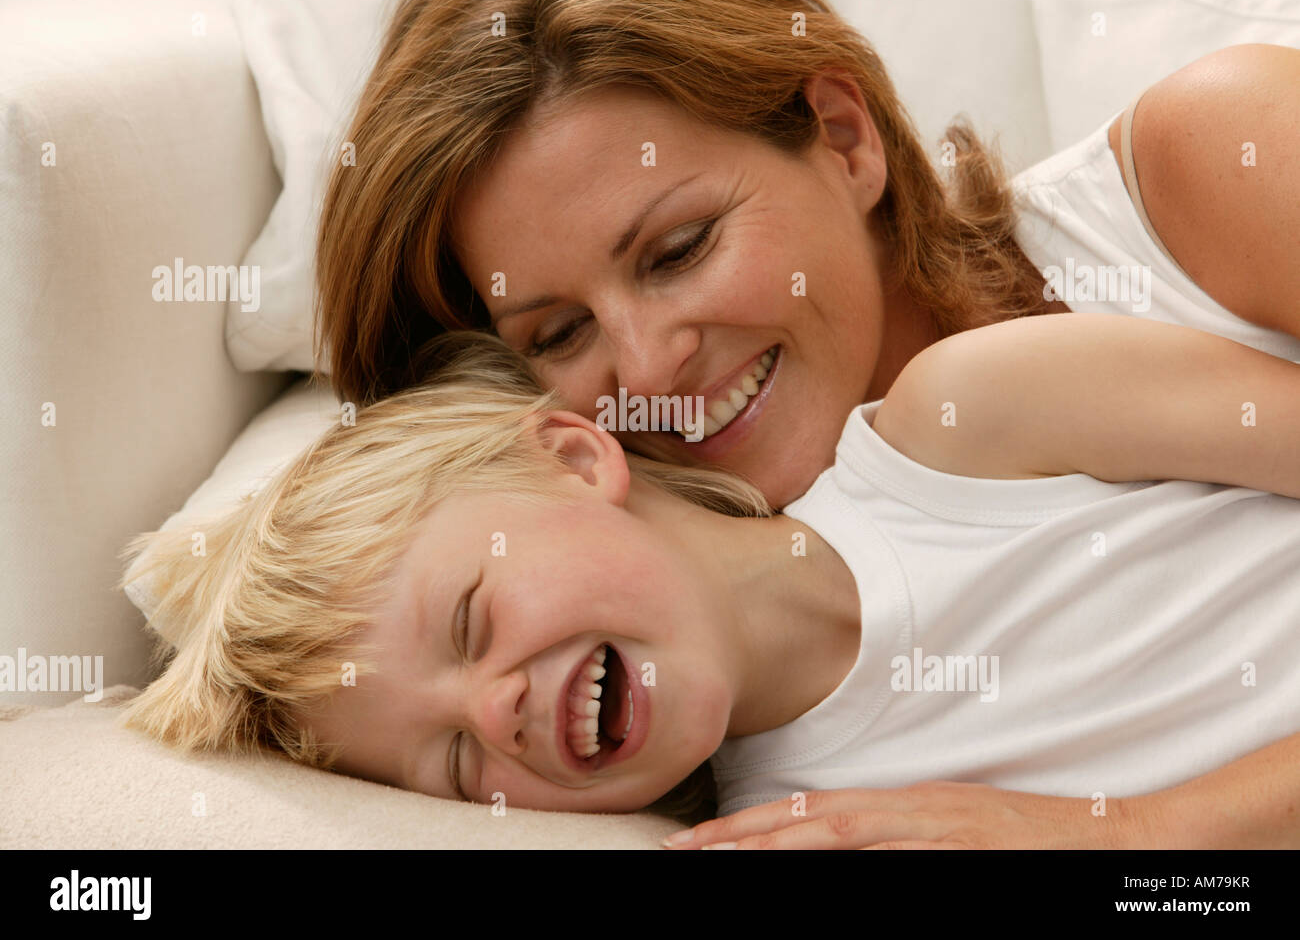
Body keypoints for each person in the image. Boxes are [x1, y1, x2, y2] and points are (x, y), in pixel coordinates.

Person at [313, 0, 1300, 847]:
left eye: (679, 249)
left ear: (843, 137)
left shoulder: (1215, 154)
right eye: (560, 332)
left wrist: (1150, 834)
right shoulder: (725, 715)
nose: (650, 363)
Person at [117, 324, 1300, 844]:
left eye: (471, 621)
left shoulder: (976, 421)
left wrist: (1128, 837)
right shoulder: (814, 833)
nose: (495, 713)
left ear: (577, 455)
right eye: (455, 766)